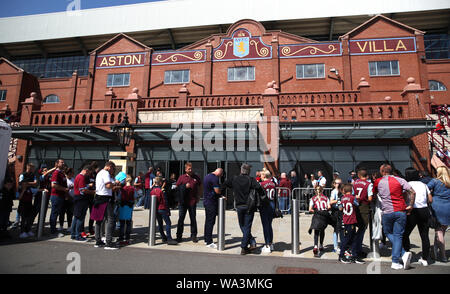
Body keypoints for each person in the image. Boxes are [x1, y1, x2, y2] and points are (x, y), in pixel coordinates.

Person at [373, 163, 416, 270]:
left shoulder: (378, 181)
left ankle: (396, 260)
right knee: (398, 235)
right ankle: (402, 254)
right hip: (400, 210)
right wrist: (410, 205)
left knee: (388, 233)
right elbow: (412, 192)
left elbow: (374, 194)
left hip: (387, 211)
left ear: (382, 172)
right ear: (391, 171)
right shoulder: (400, 180)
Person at [222, 163, 264, 255]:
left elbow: (224, 184)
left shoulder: (234, 179)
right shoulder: (251, 180)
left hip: (239, 206)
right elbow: (260, 189)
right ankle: (245, 246)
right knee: (247, 226)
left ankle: (249, 243)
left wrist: (223, 194)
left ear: (241, 170)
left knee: (242, 226)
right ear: (248, 172)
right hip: (249, 206)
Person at [402, 167, 433, 266]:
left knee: (405, 233)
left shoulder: (407, 185)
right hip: (424, 210)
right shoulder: (424, 185)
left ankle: (407, 253)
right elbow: (430, 199)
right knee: (424, 235)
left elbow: (404, 197)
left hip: (411, 210)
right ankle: (425, 259)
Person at [91, 161, 121, 250]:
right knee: (110, 220)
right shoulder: (105, 173)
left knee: (99, 220)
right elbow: (108, 185)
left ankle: (98, 241)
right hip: (105, 198)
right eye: (113, 168)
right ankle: (108, 243)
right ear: (109, 166)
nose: (113, 170)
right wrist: (115, 184)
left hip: (98, 197)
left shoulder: (99, 173)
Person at [427, 166, 450, 263]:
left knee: (439, 231)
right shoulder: (448, 182)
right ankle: (435, 251)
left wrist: (431, 195)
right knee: (442, 231)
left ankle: (443, 255)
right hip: (448, 207)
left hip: (437, 207)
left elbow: (426, 189)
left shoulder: (434, 181)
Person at [175, 162, 202, 243]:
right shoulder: (181, 177)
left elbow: (201, 186)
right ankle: (179, 236)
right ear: (185, 169)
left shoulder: (196, 177)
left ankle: (194, 235)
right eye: (189, 169)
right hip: (183, 202)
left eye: (191, 168)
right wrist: (184, 186)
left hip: (192, 201)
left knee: (193, 219)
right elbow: (177, 188)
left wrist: (198, 196)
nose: (190, 170)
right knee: (181, 219)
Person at [338, 183, 363, 264]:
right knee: (348, 238)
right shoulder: (353, 198)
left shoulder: (342, 198)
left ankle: (354, 255)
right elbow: (357, 204)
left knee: (353, 238)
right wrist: (357, 199)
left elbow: (340, 208)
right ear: (351, 190)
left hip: (345, 219)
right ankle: (341, 255)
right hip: (351, 219)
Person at [352, 169, 373, 259]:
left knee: (355, 229)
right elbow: (370, 198)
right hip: (364, 207)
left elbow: (352, 195)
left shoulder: (354, 183)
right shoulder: (369, 184)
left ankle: (356, 248)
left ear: (359, 175)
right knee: (361, 229)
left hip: (355, 206)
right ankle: (357, 249)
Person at [71, 166, 94, 242]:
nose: (88, 174)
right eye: (88, 172)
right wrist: (93, 192)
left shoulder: (78, 176)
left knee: (76, 217)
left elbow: (81, 187)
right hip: (81, 199)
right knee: (80, 217)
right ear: (86, 170)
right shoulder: (81, 177)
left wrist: (87, 186)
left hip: (78, 198)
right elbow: (82, 190)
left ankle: (73, 234)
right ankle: (78, 235)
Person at [153, 176, 177, 245]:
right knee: (168, 223)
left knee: (160, 224)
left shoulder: (152, 190)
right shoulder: (162, 191)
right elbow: (165, 201)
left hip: (156, 209)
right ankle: (169, 238)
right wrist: (168, 210)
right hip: (162, 209)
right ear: (160, 183)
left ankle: (163, 237)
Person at [203, 168, 224, 249]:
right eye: (221, 174)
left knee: (208, 221)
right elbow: (217, 191)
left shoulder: (207, 176)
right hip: (211, 203)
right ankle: (209, 242)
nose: (221, 176)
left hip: (206, 201)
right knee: (211, 222)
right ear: (219, 173)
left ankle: (206, 239)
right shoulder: (215, 178)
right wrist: (221, 194)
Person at [308, 185, 331, 257]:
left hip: (317, 215)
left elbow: (310, 209)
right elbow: (329, 207)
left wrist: (315, 211)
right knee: (322, 230)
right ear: (322, 190)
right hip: (324, 215)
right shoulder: (326, 198)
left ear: (315, 191)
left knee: (316, 231)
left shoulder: (313, 198)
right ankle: (321, 245)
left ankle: (315, 245)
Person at [259, 170, 278, 253]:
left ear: (264, 176)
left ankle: (267, 245)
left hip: (265, 205)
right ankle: (270, 243)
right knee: (269, 225)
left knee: (265, 226)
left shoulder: (262, 184)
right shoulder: (273, 184)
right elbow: (276, 196)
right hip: (272, 204)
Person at [50, 159, 69, 237]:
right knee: (54, 213)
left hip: (61, 196)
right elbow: (53, 185)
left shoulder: (62, 173)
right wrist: (64, 189)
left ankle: (54, 229)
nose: (63, 163)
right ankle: (53, 231)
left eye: (63, 162)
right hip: (56, 196)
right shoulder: (56, 173)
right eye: (61, 162)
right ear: (57, 164)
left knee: (58, 213)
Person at [118, 176, 135, 245]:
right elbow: (135, 196)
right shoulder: (132, 188)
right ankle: (127, 238)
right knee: (128, 222)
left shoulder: (123, 188)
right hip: (129, 206)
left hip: (122, 205)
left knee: (122, 223)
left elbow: (119, 197)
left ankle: (121, 237)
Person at [329, 178, 343, 253]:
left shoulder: (342, 191)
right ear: (334, 184)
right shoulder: (333, 191)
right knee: (336, 229)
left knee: (342, 229)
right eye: (337, 183)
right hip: (336, 212)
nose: (339, 185)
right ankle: (335, 246)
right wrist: (338, 200)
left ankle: (342, 244)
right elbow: (331, 201)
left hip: (342, 212)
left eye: (340, 183)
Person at [59, 168, 75, 232]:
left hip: (71, 199)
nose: (72, 174)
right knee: (62, 212)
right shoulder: (65, 179)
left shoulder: (73, 179)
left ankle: (69, 226)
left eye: (72, 173)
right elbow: (64, 188)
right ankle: (61, 226)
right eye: (70, 173)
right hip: (65, 198)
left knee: (70, 213)